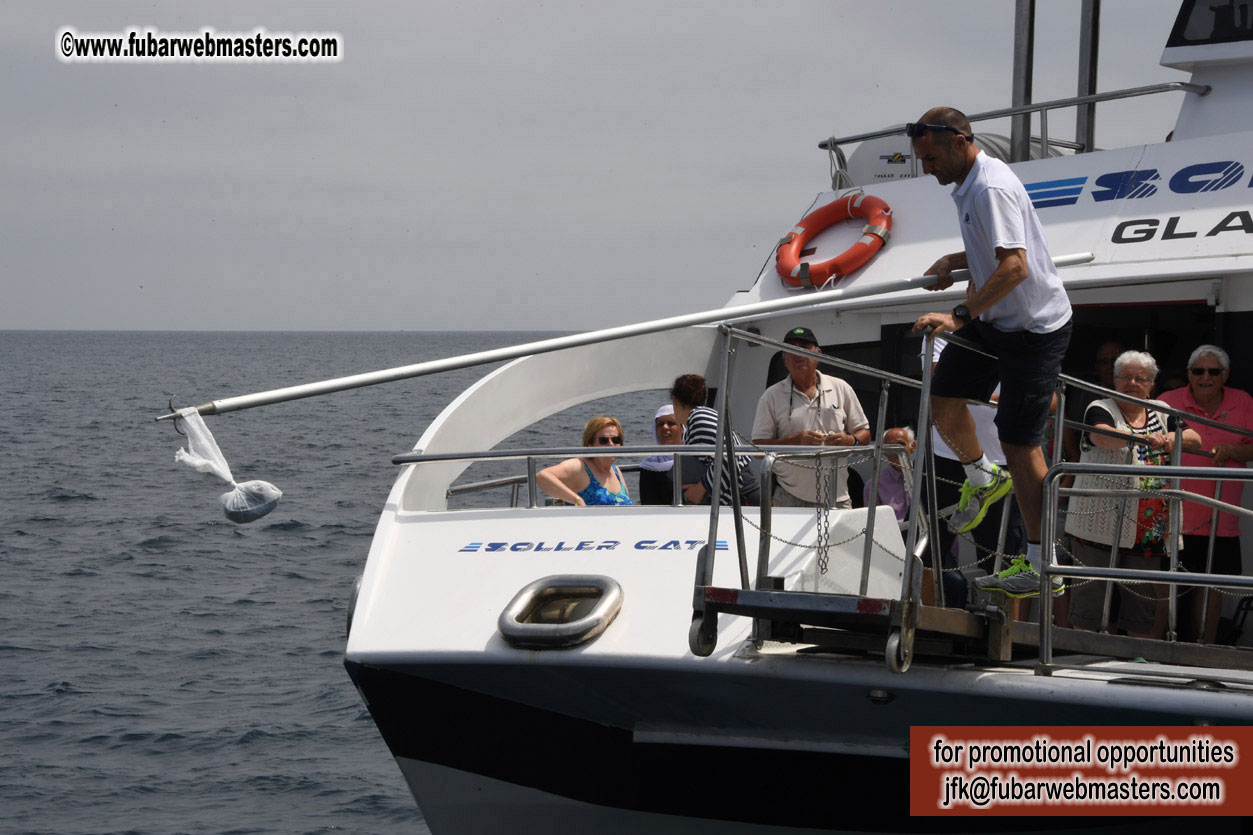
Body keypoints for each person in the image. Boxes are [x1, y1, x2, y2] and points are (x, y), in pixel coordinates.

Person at [907, 106, 1073, 599]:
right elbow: (995, 250)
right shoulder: (968, 184)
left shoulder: (989, 186)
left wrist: (958, 315)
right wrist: (955, 260)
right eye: (921, 159)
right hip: (997, 319)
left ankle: (1046, 567)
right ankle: (983, 476)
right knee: (943, 398)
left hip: (1034, 330)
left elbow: (1016, 268)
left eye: (932, 157)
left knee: (1020, 442)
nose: (926, 167)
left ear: (960, 142)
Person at [1064, 351, 1201, 633]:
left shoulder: (1162, 409)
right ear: (1114, 381)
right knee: (1091, 595)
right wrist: (1142, 438)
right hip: (1098, 521)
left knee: (1142, 601)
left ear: (1151, 384)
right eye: (1126, 377)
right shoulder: (1100, 406)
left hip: (1148, 524)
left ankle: (1137, 654)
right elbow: (1102, 436)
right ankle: (1084, 655)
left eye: (1141, 378)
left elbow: (1194, 439)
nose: (1133, 383)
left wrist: (1170, 437)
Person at [1158, 344, 1253, 643]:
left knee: (1210, 587)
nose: (1205, 377)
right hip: (1172, 516)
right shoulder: (1167, 401)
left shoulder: (1243, 401)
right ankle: (1158, 648)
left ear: (1225, 375)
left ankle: (1203, 651)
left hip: (1221, 518)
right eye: (1198, 371)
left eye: (1213, 371)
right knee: (1166, 584)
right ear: (1189, 374)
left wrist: (1232, 451)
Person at [751, 326, 871, 508]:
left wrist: (849, 440)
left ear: (818, 353)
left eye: (804, 347)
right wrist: (796, 441)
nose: (798, 353)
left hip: (837, 496)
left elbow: (865, 434)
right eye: (791, 348)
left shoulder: (841, 388)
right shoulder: (771, 396)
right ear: (784, 357)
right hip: (788, 496)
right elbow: (758, 449)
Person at [670, 374, 759, 506]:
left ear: (675, 401)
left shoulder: (698, 419)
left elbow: (729, 458)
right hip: (740, 496)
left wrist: (699, 489)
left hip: (741, 498)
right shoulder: (705, 415)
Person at [535, 416, 633, 506]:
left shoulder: (616, 471)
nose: (611, 444)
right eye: (604, 440)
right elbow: (542, 476)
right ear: (590, 444)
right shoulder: (579, 467)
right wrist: (576, 500)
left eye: (616, 440)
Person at [1062, 340, 1125, 476]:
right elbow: (1076, 433)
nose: (1110, 366)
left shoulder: (1137, 390)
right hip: (1093, 464)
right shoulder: (1084, 393)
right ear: (1096, 367)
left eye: (1115, 360)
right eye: (1103, 362)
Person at [864, 426, 916, 524]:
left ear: (912, 447)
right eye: (890, 446)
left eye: (900, 444)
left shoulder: (926, 479)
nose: (896, 450)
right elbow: (874, 524)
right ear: (884, 452)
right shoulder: (873, 486)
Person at [639, 405, 682, 505]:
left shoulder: (693, 461)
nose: (665, 427)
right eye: (660, 424)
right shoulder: (648, 466)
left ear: (682, 428)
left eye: (671, 423)